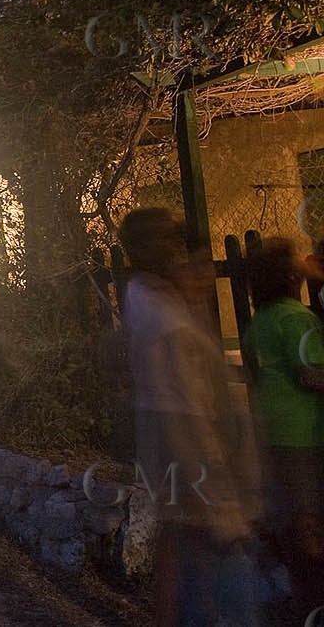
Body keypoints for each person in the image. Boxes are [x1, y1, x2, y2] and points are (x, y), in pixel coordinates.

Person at [119, 208, 261, 627]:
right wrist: (226, 507)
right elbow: (192, 418)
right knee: (219, 578)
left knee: (181, 550)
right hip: (190, 459)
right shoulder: (167, 319)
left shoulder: (143, 295)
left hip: (168, 451)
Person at [241, 239, 324, 612]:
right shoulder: (296, 318)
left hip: (272, 431)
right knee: (310, 516)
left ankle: (298, 588)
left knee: (293, 511)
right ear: (292, 276)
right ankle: (313, 597)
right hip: (302, 432)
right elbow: (311, 373)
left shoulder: (262, 319)